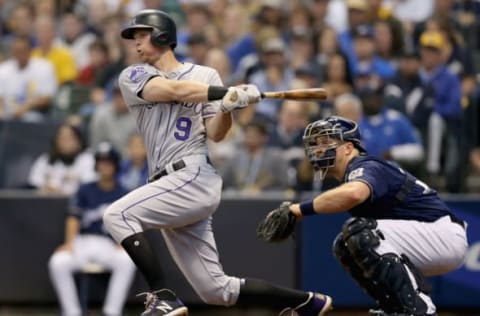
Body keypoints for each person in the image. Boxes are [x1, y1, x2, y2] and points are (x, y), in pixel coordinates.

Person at [102, 9, 332, 316]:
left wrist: (228, 108)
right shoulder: (133, 74)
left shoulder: (205, 75)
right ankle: (308, 302)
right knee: (217, 292)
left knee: (117, 214)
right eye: (134, 38)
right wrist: (227, 92)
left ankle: (163, 296)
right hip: (167, 183)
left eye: (142, 35)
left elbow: (217, 134)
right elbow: (170, 90)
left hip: (192, 175)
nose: (136, 43)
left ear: (162, 36)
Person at [270, 116, 468, 316]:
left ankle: (419, 309)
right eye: (316, 144)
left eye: (326, 142)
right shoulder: (355, 171)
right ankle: (395, 308)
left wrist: (298, 209)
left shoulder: (366, 165)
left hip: (441, 234)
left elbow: (355, 193)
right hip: (425, 238)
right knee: (344, 246)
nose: (318, 149)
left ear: (348, 148)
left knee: (359, 232)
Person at [48, 143, 136, 316]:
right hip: (84, 242)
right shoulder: (85, 189)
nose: (104, 166)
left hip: (108, 244)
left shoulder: (123, 191)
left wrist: (124, 241)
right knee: (58, 262)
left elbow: (129, 220)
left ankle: (112, 312)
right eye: (101, 162)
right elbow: (73, 217)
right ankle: (72, 312)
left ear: (115, 164)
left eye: (108, 162)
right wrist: (69, 243)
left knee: (127, 261)